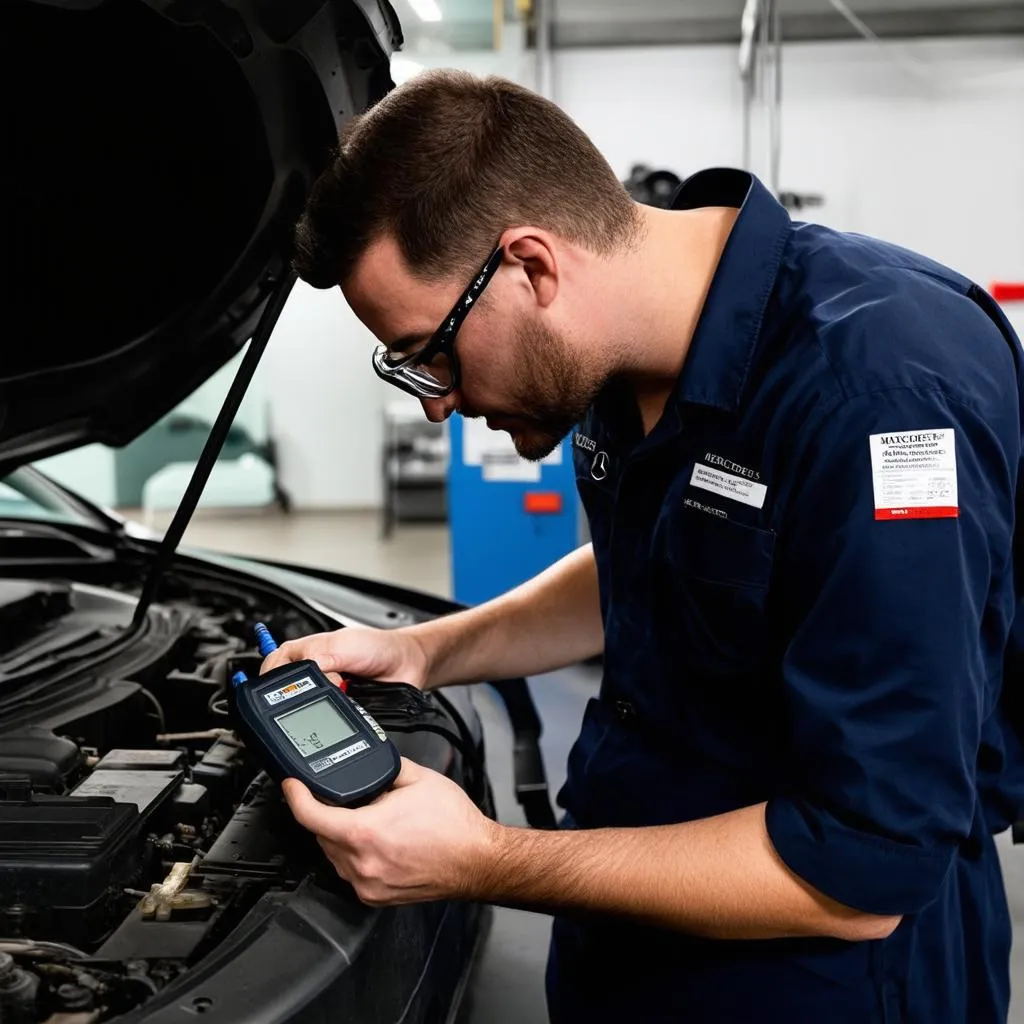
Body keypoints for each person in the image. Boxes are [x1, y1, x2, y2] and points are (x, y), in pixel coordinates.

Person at [261, 68, 1024, 1023]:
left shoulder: (881, 396)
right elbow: (659, 565)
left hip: (816, 985)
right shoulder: (618, 356)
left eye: (431, 354)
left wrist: (486, 858)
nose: (442, 402)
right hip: (628, 927)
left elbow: (864, 867)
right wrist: (427, 650)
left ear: (533, 266)